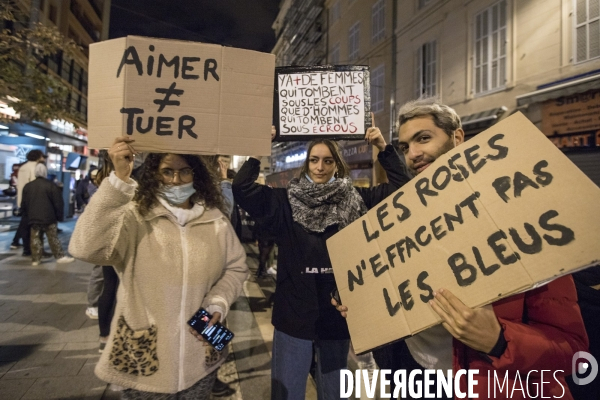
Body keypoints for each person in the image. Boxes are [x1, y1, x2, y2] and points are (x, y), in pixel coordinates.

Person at [332, 98, 589, 399]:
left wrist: (500, 341)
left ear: (458, 137)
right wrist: (359, 301)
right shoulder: (401, 220)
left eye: (424, 138)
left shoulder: (516, 210)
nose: (413, 154)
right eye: (404, 146)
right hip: (412, 377)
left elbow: (573, 350)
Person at [232, 120, 411, 400]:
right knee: (288, 393)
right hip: (294, 316)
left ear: (337, 165)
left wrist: (382, 147)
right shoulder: (285, 201)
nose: (320, 167)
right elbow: (242, 188)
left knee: (334, 393)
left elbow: (403, 190)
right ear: (306, 165)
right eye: (314, 160)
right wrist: (257, 149)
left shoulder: (357, 200)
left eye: (327, 161)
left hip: (335, 318)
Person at [69, 137, 249, 399]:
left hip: (202, 353)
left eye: (184, 170)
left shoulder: (215, 220)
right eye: (167, 171)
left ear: (195, 174)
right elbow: (84, 248)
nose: (175, 180)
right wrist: (118, 181)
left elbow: (236, 267)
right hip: (144, 358)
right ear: (154, 174)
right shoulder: (135, 216)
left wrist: (218, 302)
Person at [20, 163, 74, 266]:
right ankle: (59, 256)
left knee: (35, 238)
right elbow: (58, 202)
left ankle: (36, 259)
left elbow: (24, 204)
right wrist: (59, 216)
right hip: (49, 217)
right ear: (45, 172)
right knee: (53, 238)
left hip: (33, 217)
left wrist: (26, 215)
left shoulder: (28, 186)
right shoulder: (51, 186)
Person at [12, 150, 46, 254]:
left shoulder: (23, 167)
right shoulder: (35, 167)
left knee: (25, 224)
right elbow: (35, 184)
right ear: (38, 157)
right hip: (33, 200)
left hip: (22, 199)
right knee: (36, 225)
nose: (43, 159)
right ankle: (34, 249)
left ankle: (25, 248)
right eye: (42, 157)